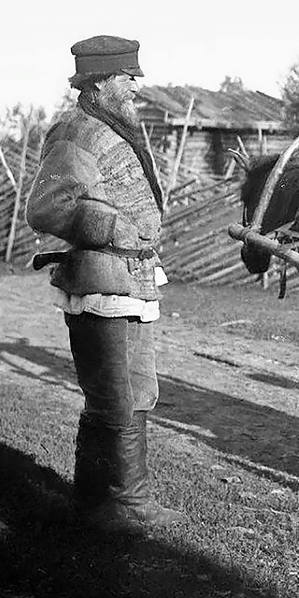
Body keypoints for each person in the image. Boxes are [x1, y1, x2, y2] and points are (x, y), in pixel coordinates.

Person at [26, 35, 183, 532]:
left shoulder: (112, 125)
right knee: (113, 394)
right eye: (127, 77)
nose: (136, 84)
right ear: (98, 83)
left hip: (132, 278)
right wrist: (112, 226)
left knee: (137, 390)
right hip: (100, 281)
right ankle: (109, 504)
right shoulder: (75, 132)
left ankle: (114, 501)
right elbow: (46, 207)